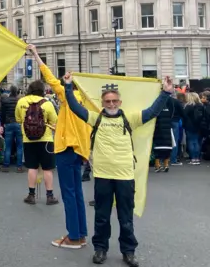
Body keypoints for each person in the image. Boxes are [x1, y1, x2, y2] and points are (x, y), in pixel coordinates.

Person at [63, 72, 173, 267]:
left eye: (114, 101)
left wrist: (166, 92)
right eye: (108, 101)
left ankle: (128, 251)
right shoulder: (95, 118)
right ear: (103, 103)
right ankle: (100, 249)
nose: (111, 104)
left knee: (125, 217)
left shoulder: (129, 119)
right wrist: (68, 86)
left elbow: (152, 111)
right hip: (103, 175)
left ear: (120, 102)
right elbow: (74, 107)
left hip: (125, 175)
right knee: (102, 216)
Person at [28, 44, 91, 249]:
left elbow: (50, 78)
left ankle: (73, 236)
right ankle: (80, 234)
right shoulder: (87, 102)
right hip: (80, 149)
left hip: (66, 148)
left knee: (69, 194)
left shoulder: (67, 97)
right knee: (78, 193)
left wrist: (36, 54)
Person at [15, 80, 58, 205]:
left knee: (32, 167)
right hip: (46, 140)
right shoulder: (47, 103)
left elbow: (18, 119)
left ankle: (31, 195)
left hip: (28, 139)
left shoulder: (21, 101)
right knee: (47, 169)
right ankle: (49, 196)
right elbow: (54, 121)